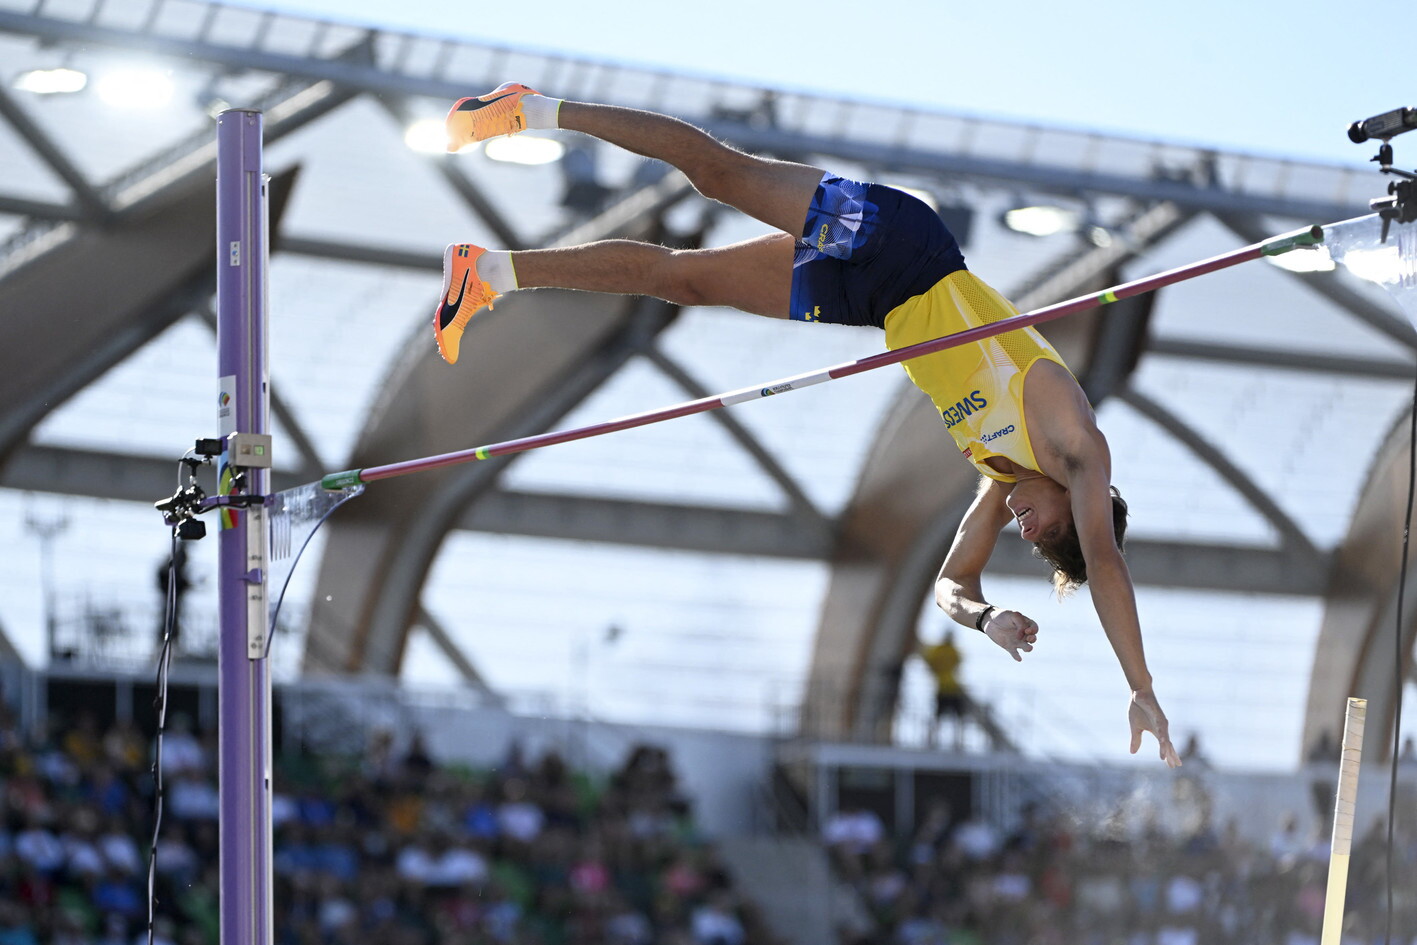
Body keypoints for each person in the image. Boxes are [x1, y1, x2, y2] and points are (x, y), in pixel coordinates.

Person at [435, 83, 1179, 768]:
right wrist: (1139, 683)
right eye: (1048, 531)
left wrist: (984, 620)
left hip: (876, 302)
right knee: (719, 175)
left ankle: (489, 273)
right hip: (903, 246)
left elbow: (950, 581)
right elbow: (1106, 564)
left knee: (682, 279)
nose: (1025, 528)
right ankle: (531, 111)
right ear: (1078, 505)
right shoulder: (1069, 435)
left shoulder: (1001, 472)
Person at [917, 630, 969, 750]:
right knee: (957, 717)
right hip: (951, 687)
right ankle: (958, 743)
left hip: (943, 687)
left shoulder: (937, 650)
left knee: (939, 717)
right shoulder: (953, 651)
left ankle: (931, 741)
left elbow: (929, 663)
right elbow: (958, 664)